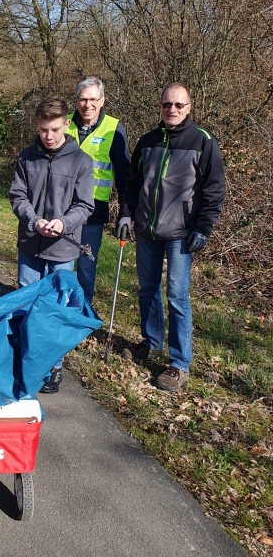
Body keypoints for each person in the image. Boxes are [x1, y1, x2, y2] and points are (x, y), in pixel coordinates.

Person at [122, 83, 225, 392]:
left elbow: (214, 190)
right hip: (147, 229)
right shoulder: (148, 141)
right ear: (160, 106)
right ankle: (151, 343)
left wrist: (203, 228)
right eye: (167, 104)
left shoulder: (203, 141)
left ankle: (179, 363)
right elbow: (132, 183)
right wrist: (126, 214)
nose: (172, 109)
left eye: (179, 105)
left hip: (182, 234)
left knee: (176, 297)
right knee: (147, 290)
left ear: (189, 107)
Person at [10, 96, 94, 394]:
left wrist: (62, 223)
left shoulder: (81, 161)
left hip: (63, 248)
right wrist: (34, 221)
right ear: (37, 124)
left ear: (67, 124)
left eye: (55, 130)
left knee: (56, 307)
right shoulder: (26, 157)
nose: (48, 136)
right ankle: (23, 359)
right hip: (30, 243)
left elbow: (85, 205)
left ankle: (53, 366)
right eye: (44, 129)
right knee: (26, 302)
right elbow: (17, 197)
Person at [65, 77, 130, 306]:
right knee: (59, 263)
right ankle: (55, 310)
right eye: (83, 99)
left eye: (93, 99)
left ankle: (81, 312)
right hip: (61, 208)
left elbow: (125, 176)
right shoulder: (64, 124)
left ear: (102, 100)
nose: (88, 104)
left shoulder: (113, 128)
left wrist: (126, 211)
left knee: (86, 263)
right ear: (76, 101)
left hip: (93, 211)